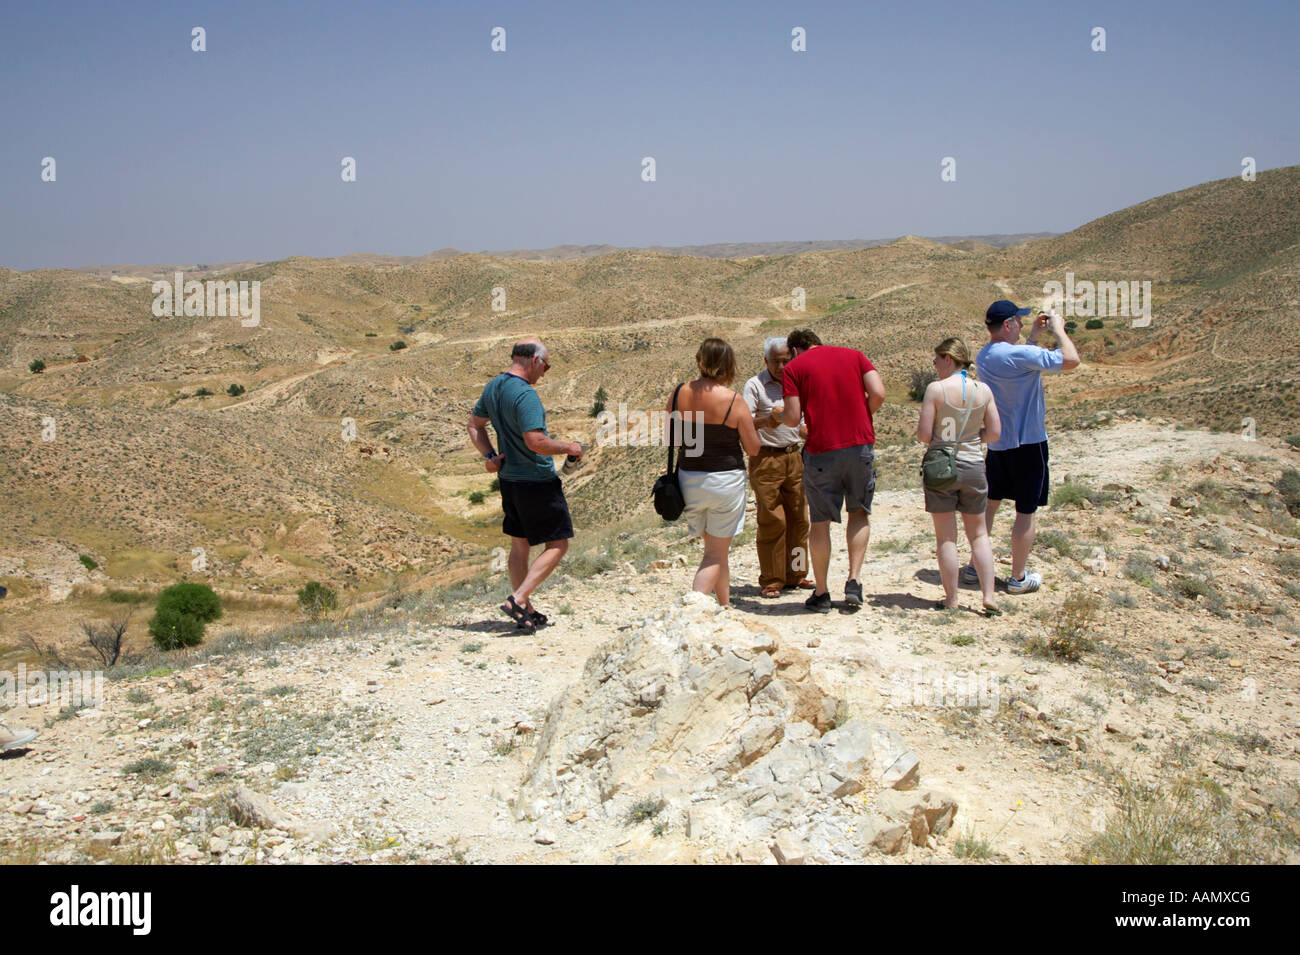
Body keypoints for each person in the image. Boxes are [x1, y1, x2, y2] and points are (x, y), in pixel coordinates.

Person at [962, 301, 1080, 594]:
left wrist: (1033, 339)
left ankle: (975, 566)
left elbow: (1019, 363)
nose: (1022, 324)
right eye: (1018, 320)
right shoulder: (1019, 354)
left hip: (999, 443)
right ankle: (1017, 577)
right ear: (1007, 325)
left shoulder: (986, 355)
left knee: (990, 506)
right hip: (1029, 443)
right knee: (1025, 511)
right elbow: (1072, 360)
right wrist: (1059, 329)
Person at [466, 338, 581, 632]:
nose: (545, 372)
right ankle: (518, 599)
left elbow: (474, 425)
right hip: (536, 480)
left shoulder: (494, 386)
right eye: (546, 366)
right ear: (535, 361)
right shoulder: (525, 395)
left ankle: (525, 610)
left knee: (519, 545)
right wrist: (569, 447)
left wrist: (491, 456)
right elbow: (536, 442)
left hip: (509, 480)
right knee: (558, 543)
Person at [781, 329, 886, 613]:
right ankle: (854, 580)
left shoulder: (793, 368)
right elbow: (878, 392)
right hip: (859, 445)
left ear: (794, 350)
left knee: (820, 521)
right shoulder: (855, 355)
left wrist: (772, 418)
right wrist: (861, 415)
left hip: (821, 450)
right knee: (859, 511)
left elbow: (792, 416)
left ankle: (822, 592)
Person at [666, 338, 761, 607]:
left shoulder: (677, 394)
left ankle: (725, 606)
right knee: (714, 554)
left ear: (699, 360)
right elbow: (753, 449)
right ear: (729, 365)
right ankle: (691, 610)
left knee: (717, 551)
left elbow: (671, 437)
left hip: (690, 480)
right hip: (725, 482)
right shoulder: (733, 400)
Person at [916, 338, 1002, 614]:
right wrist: (975, 437)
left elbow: (924, 435)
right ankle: (988, 596)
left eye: (937, 359)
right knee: (979, 535)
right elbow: (995, 433)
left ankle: (952, 599)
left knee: (946, 538)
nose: (934, 364)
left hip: (943, 466)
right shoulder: (983, 390)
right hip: (974, 464)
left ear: (949, 359)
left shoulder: (936, 390)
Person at [742, 337, 813, 598]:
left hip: (795, 457)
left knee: (798, 518)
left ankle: (796, 574)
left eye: (787, 360)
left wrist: (807, 431)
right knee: (772, 519)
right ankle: (772, 579)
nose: (782, 367)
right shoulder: (754, 385)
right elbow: (744, 421)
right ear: (765, 361)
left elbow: (804, 417)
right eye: (776, 362)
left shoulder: (799, 383)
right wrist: (766, 420)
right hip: (766, 460)